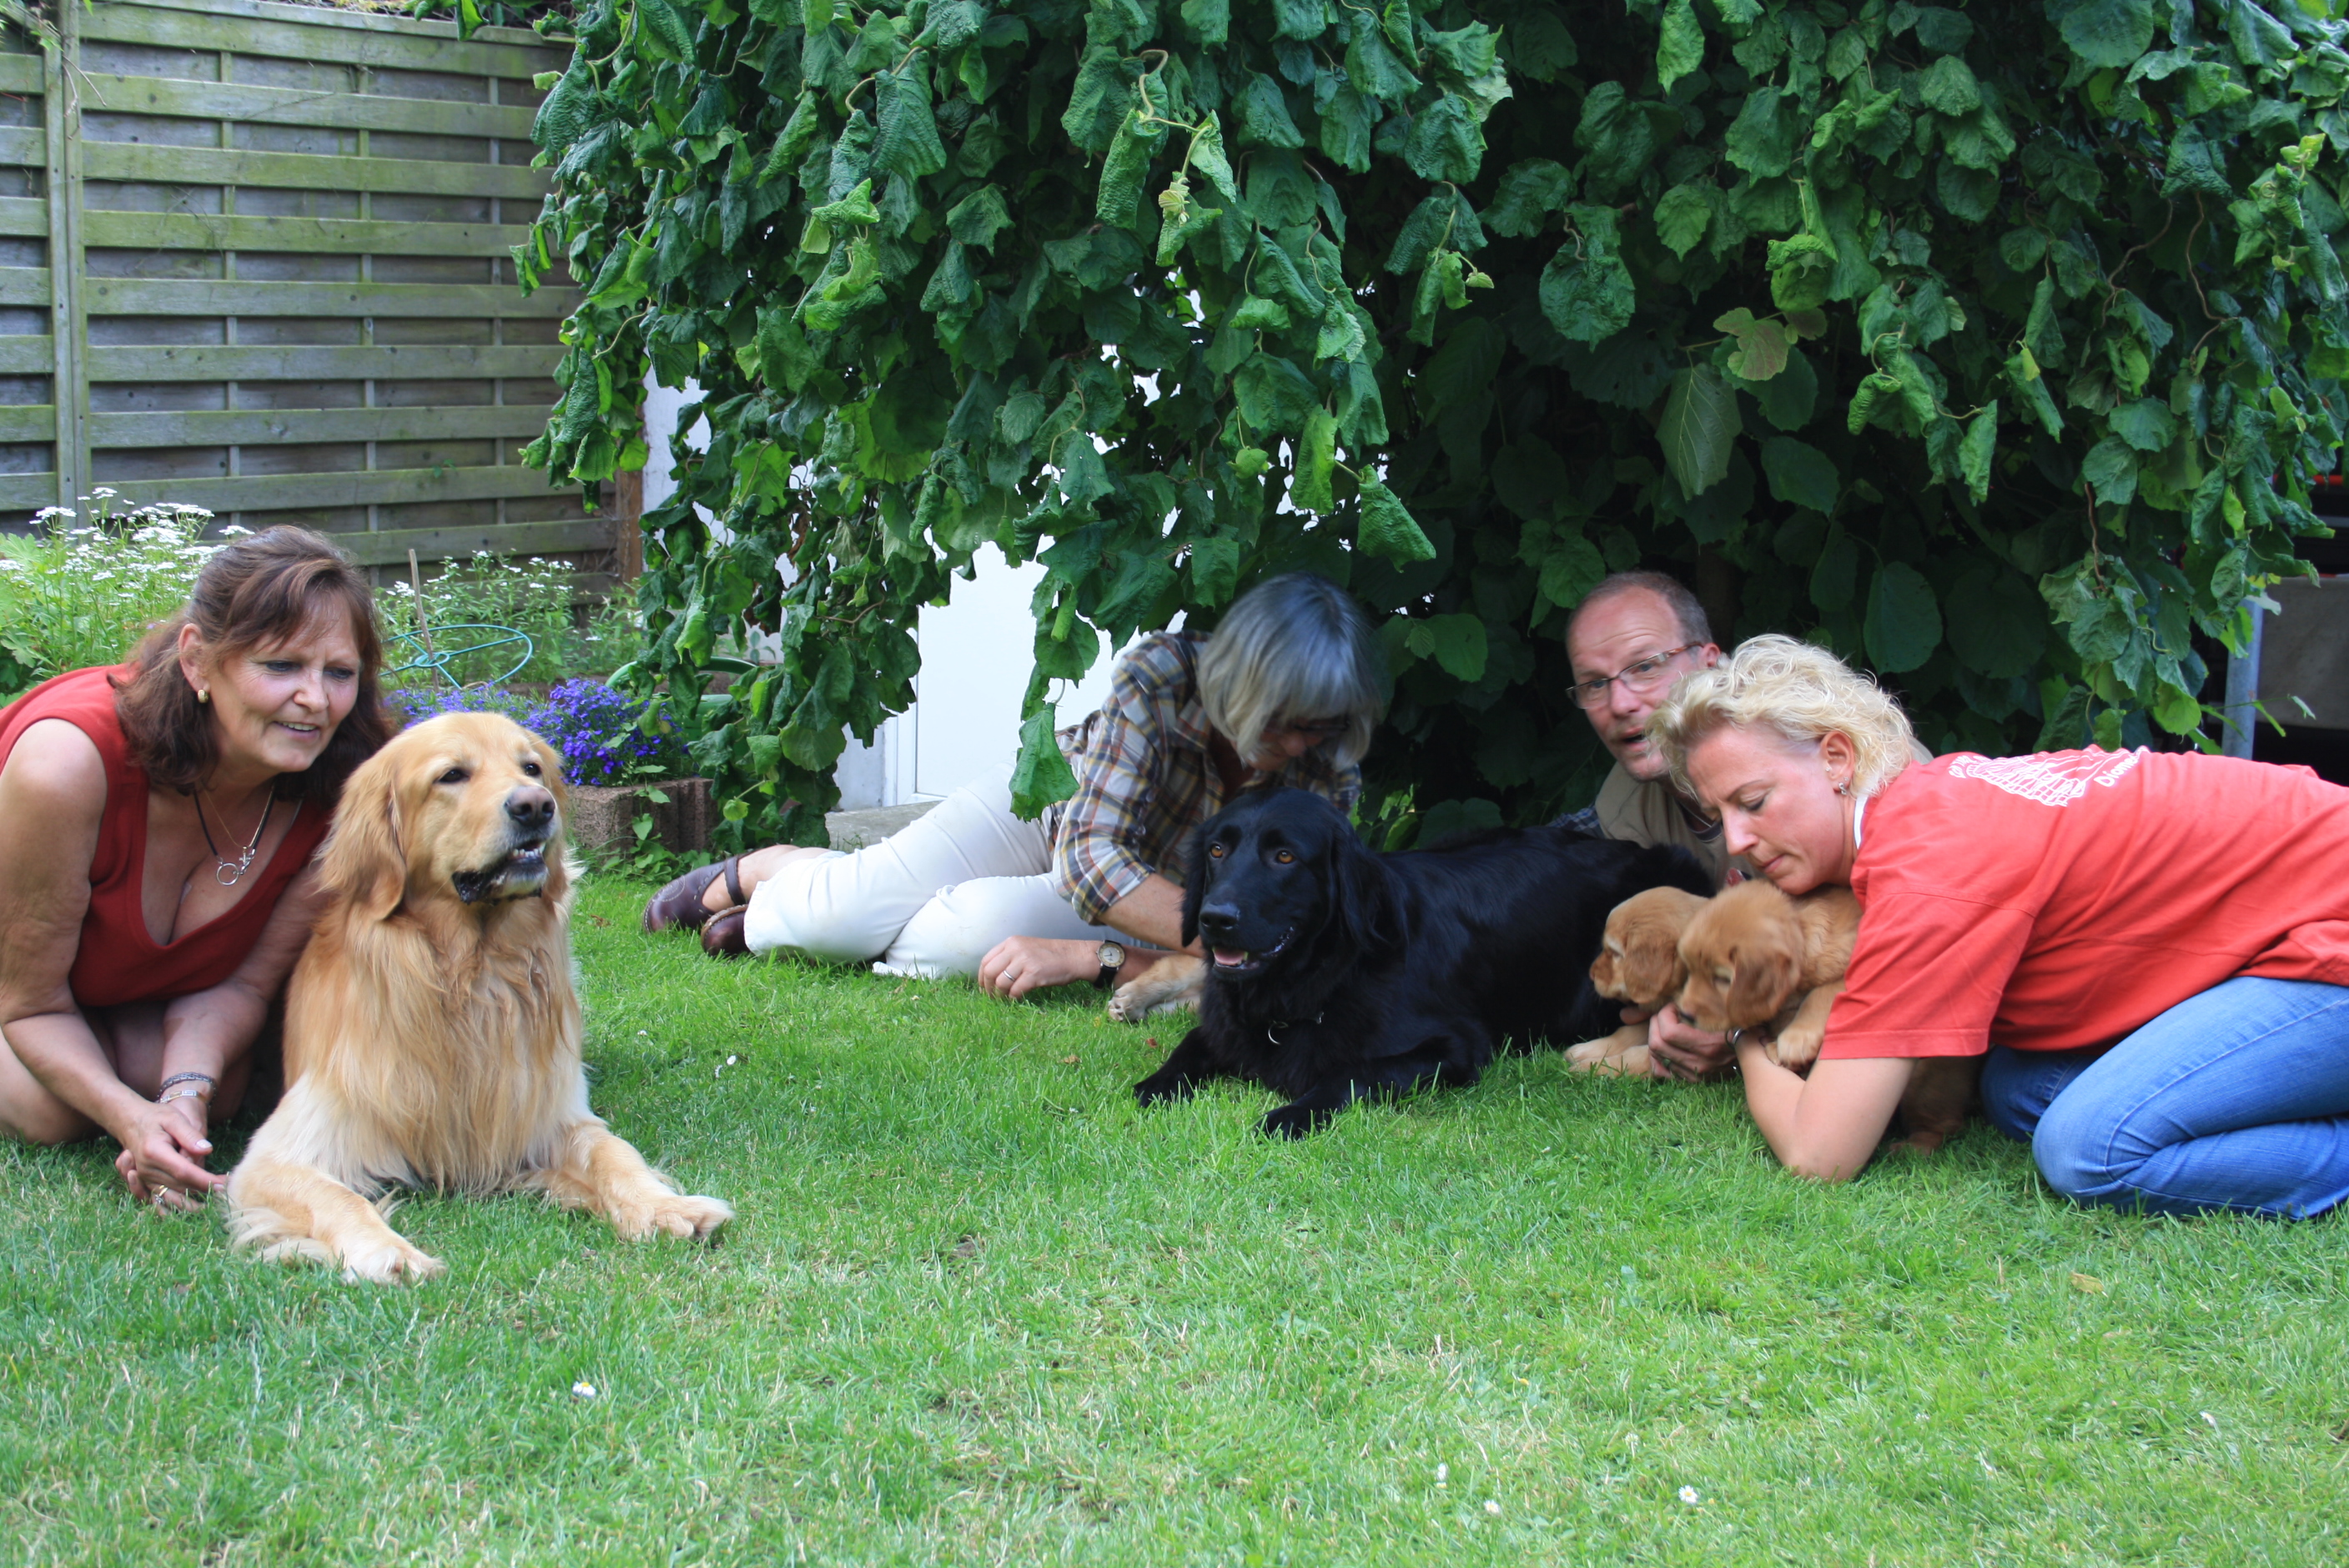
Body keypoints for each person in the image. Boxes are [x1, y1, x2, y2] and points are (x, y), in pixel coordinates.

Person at [1646, 634, 2349, 1219]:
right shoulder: (1929, 803)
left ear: (1837, 758)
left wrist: (1742, 1035)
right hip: (2289, 931)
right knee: (2018, 1089)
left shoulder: (1925, 873)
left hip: (2328, 940)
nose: (1736, 840)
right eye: (1719, 815)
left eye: (1754, 801)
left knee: (2088, 1148)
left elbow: (1819, 1155)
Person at [642, 573, 1388, 998]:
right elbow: (1092, 859)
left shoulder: (1330, 772)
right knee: (840, 916)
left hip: (1150, 896)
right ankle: (779, 873)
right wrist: (1229, 946)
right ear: (1242, 683)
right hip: (1049, 810)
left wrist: (1098, 960)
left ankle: (827, 918)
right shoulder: (1163, 675)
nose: (1299, 746)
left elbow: (1303, 943)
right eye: (1284, 721)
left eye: (1319, 727)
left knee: (958, 941)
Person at [0, 527, 393, 1212]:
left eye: (339, 672)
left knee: (217, 1086)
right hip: (19, 985)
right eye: (281, 666)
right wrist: (130, 1117)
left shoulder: (346, 794)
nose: (316, 699)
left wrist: (184, 1098)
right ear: (197, 662)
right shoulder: (65, 765)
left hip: (106, 991)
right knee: (49, 1110)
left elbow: (244, 982)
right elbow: (30, 1004)